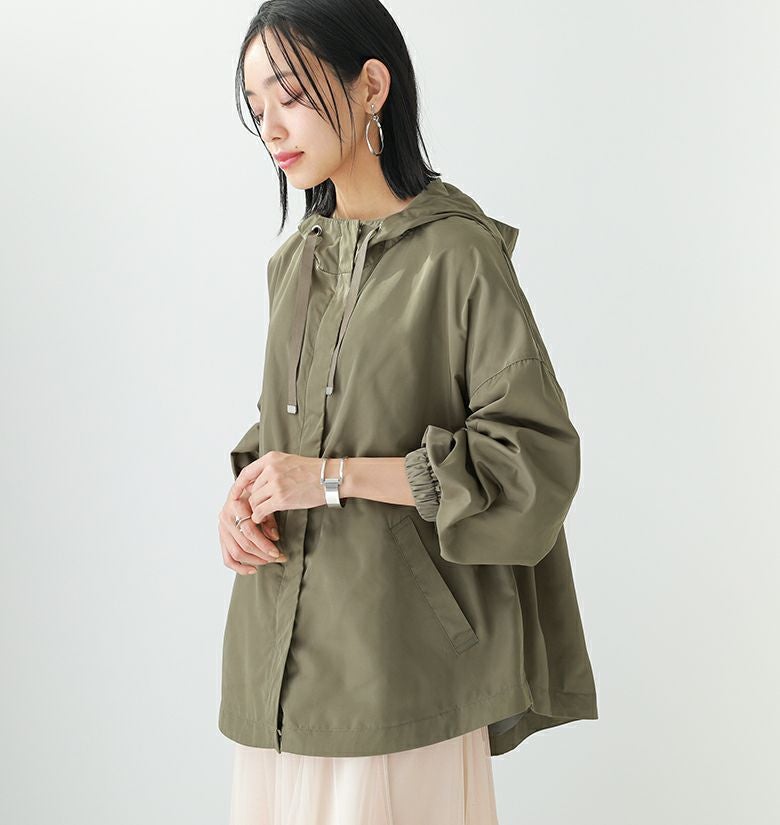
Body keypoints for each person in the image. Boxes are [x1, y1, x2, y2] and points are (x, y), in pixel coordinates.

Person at [217, 2, 598, 823]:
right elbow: (289, 431)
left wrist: (328, 478)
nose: (271, 126)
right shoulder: (294, 264)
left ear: (371, 85)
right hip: (275, 673)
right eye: (256, 106)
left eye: (289, 94)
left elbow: (529, 461)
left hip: (398, 671)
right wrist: (244, 501)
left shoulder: (459, 254)